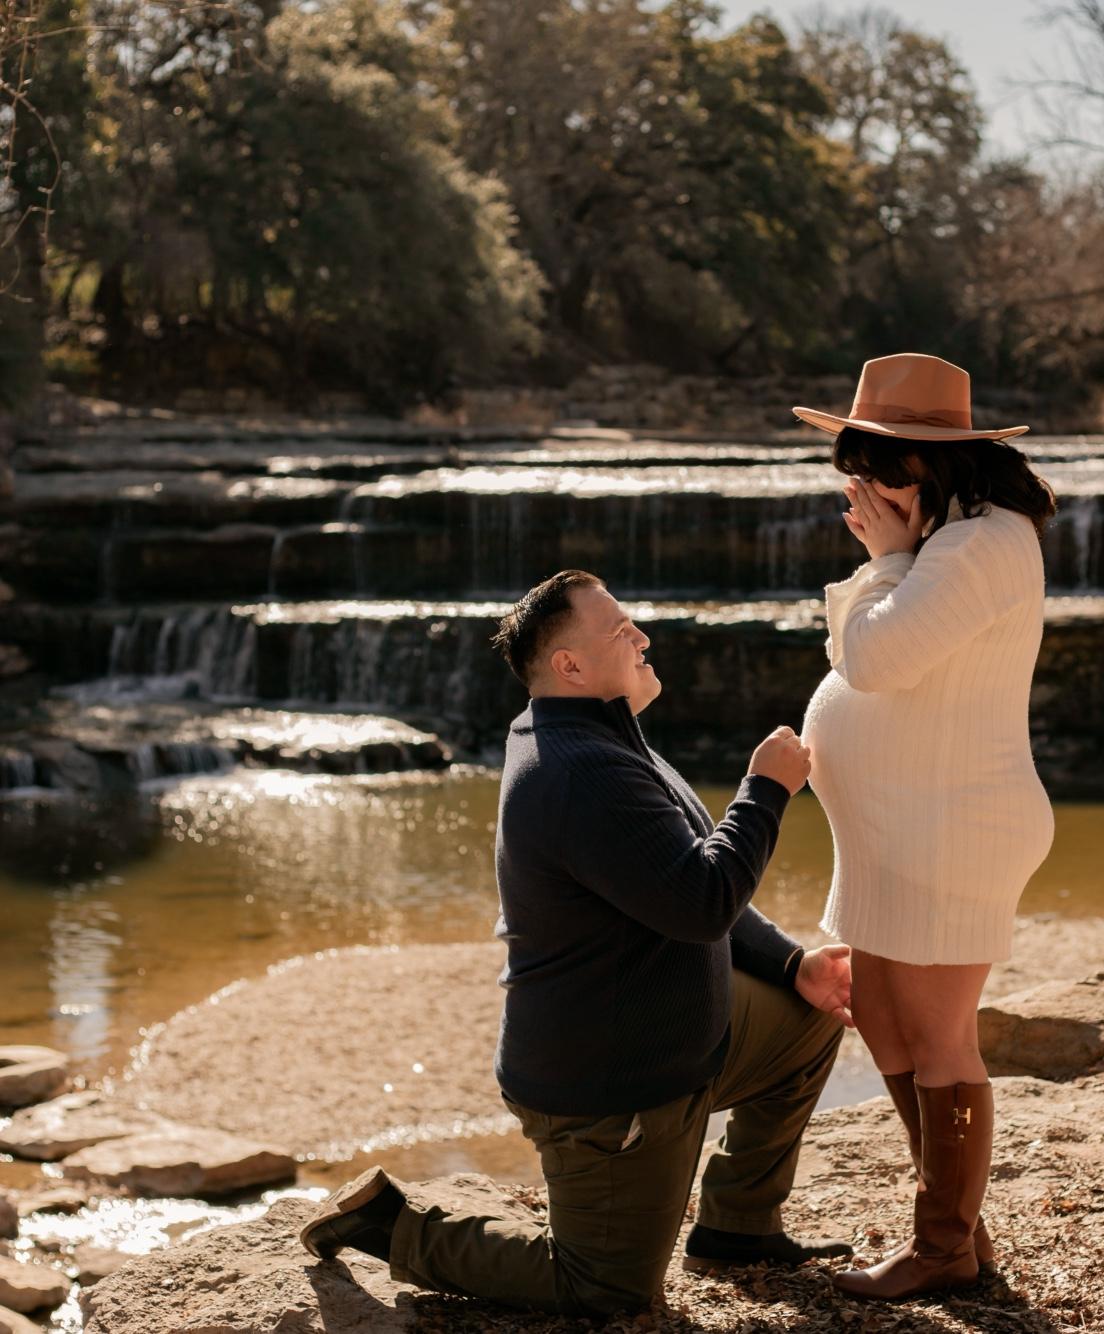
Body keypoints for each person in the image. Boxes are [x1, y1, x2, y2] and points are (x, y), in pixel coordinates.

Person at [300, 569, 856, 1315]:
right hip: (611, 1085)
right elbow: (702, 901)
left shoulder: (591, 736)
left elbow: (678, 876)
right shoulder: (580, 770)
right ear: (570, 666)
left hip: (680, 1038)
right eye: (622, 631)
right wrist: (765, 791)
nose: (643, 639)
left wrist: (792, 963)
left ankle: (738, 1226)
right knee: (605, 1289)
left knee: (808, 1016)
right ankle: (391, 1224)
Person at [793, 353, 1057, 1300]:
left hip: (953, 826)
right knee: (883, 1016)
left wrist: (885, 561)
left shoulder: (977, 546)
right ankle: (959, 1231)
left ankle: (942, 1246)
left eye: (874, 469)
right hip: (899, 826)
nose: (860, 492)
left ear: (929, 463)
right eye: (851, 470)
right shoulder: (951, 536)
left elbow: (874, 660)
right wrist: (898, 554)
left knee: (941, 1037)